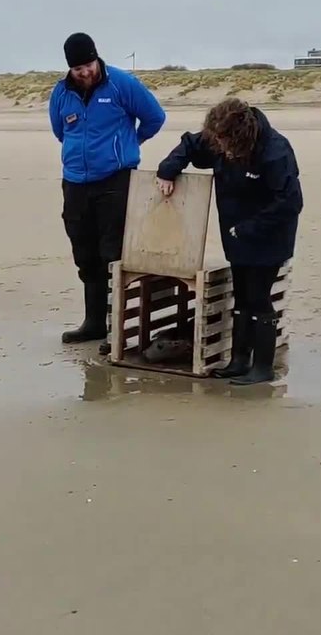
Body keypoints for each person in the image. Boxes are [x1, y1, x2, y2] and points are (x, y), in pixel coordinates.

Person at [155, 98, 302, 385]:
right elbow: (189, 145)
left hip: (270, 235)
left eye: (224, 144)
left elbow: (291, 202)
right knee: (242, 296)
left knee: (259, 298)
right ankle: (238, 361)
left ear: (240, 137)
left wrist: (249, 229)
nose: (219, 148)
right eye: (216, 142)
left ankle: (262, 367)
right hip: (234, 233)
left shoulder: (275, 152)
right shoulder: (219, 137)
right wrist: (167, 168)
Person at [48, 32, 166, 347]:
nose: (84, 72)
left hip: (115, 180)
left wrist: (130, 144)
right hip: (75, 182)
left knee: (111, 253)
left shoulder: (120, 84)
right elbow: (61, 132)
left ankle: (118, 329)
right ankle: (94, 323)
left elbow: (155, 117)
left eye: (87, 65)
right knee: (84, 253)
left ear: (96, 58)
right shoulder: (60, 93)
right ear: (69, 69)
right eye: (77, 69)